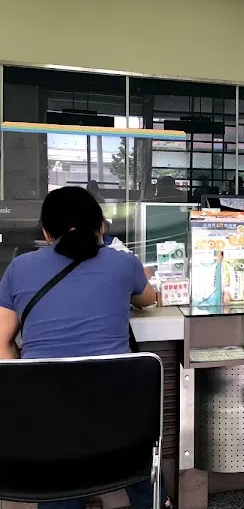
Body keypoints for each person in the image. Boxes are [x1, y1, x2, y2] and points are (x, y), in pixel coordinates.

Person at [0, 186, 169, 509]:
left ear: (46, 232)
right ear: (101, 226)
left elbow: (1, 343)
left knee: (60, 472)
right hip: (121, 424)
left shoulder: (19, 268)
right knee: (139, 453)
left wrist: (28, 383)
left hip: (46, 427)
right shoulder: (124, 262)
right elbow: (148, 299)